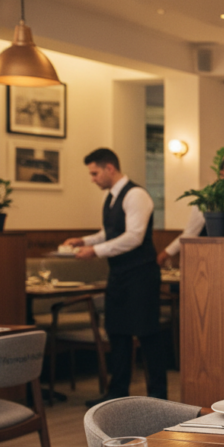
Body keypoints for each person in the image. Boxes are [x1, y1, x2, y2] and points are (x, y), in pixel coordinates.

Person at [64, 148, 168, 406]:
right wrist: (84, 240)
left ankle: (158, 397)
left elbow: (134, 237)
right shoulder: (110, 197)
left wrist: (95, 251)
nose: (92, 179)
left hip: (141, 275)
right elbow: (109, 232)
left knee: (147, 334)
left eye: (95, 173)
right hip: (119, 275)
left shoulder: (136, 195)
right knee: (117, 333)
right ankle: (117, 394)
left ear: (109, 168)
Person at [157, 155, 224, 267]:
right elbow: (191, 233)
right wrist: (167, 253)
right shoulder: (207, 198)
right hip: (209, 255)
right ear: (221, 172)